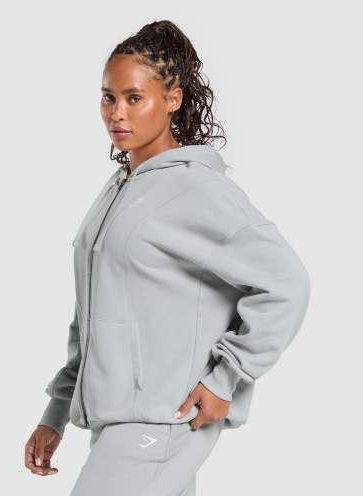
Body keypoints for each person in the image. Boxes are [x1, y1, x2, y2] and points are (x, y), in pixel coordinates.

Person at [24, 19, 311, 495]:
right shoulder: (119, 190)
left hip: (162, 420)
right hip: (119, 423)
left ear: (172, 99)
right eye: (108, 97)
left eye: (134, 98)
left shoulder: (195, 188)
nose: (117, 113)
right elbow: (92, 314)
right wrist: (56, 412)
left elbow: (287, 283)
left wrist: (225, 379)